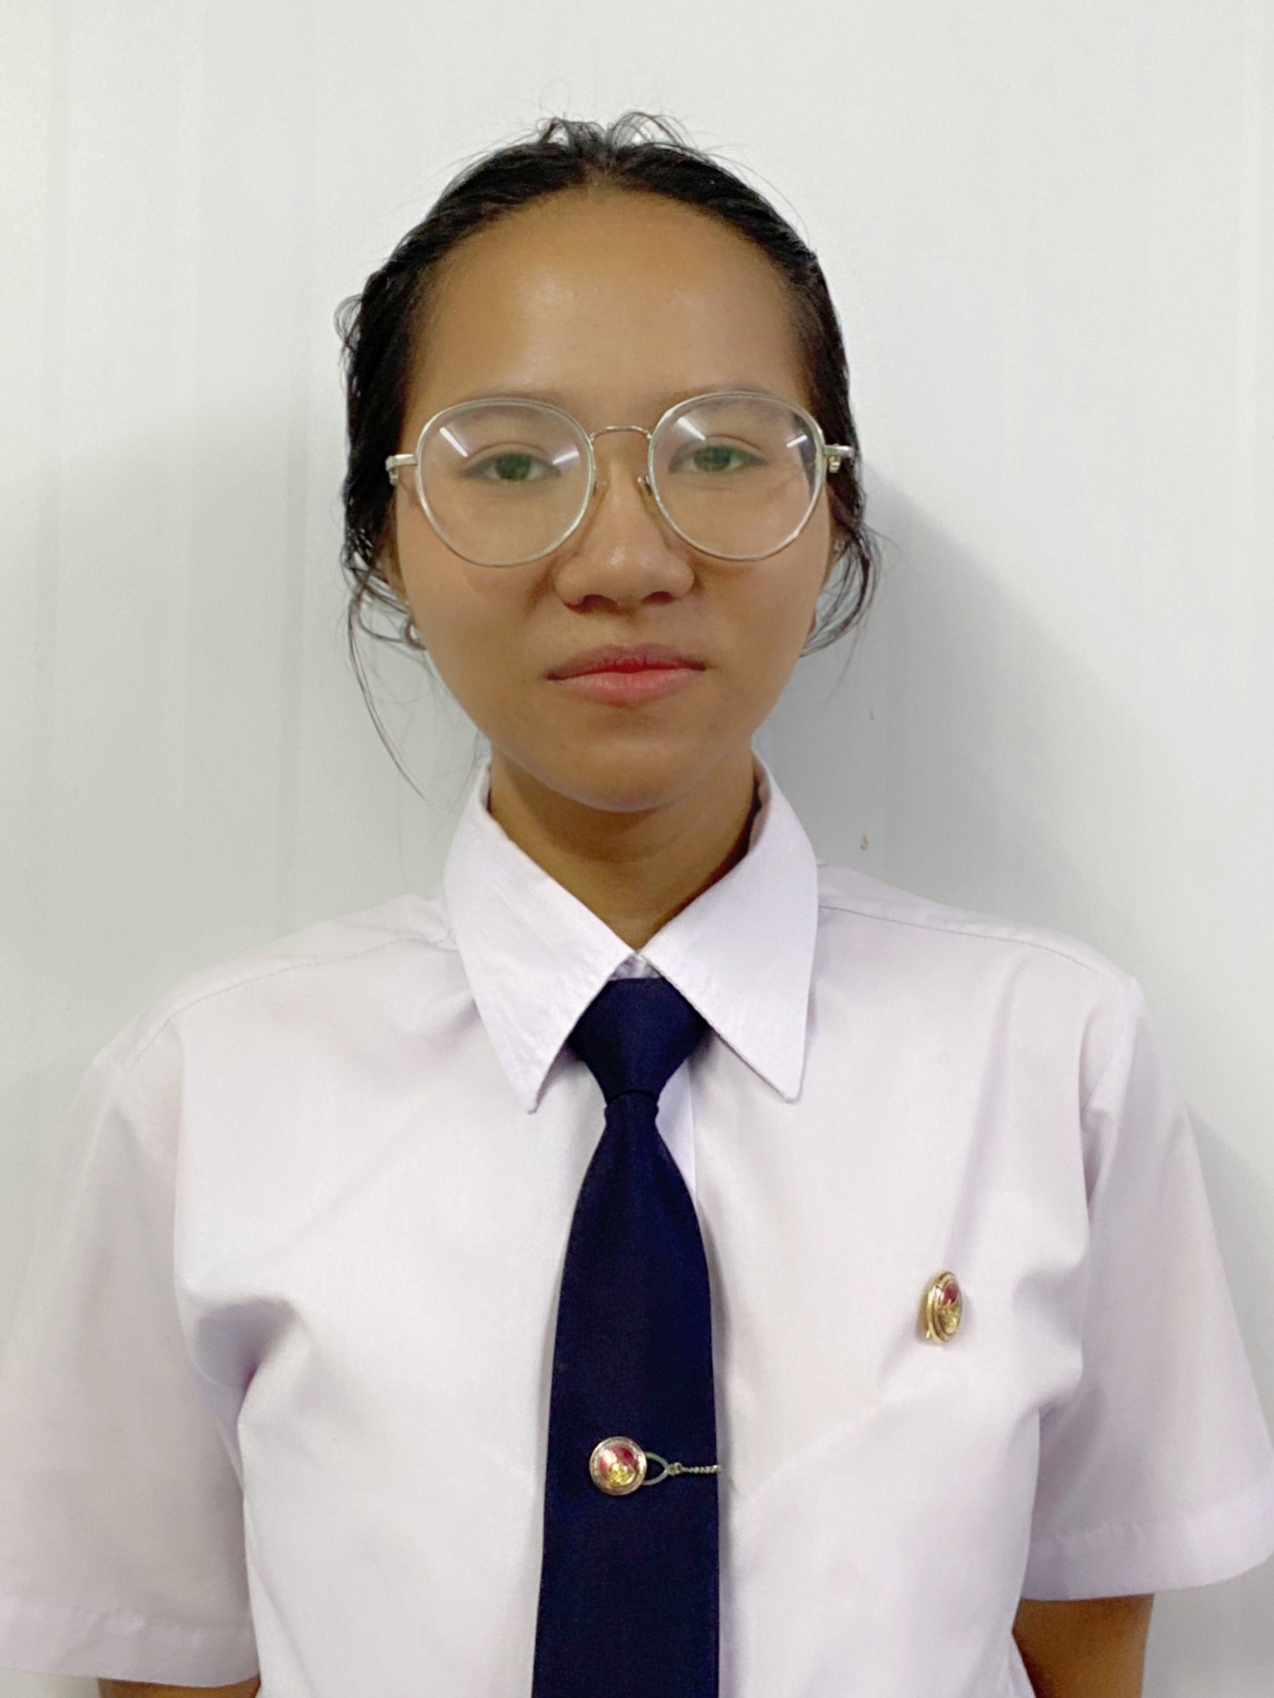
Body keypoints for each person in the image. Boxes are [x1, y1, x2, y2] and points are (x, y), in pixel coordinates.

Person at [1, 110, 1272, 1698]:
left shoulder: (1049, 1058)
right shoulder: (204, 1094)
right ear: (383, 535)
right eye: (507, 462)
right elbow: (172, 1665)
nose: (622, 556)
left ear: (833, 509)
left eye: (722, 451)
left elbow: (1081, 1640)